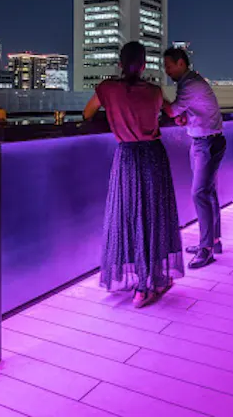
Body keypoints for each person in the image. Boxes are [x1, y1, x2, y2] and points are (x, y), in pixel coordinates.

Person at [83, 42, 184, 308]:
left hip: (127, 156)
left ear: (119, 63)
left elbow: (87, 113)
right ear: (143, 66)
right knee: (154, 217)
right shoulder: (154, 91)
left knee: (130, 217)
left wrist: (116, 115)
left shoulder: (107, 89)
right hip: (153, 155)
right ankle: (154, 281)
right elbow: (173, 112)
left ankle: (140, 285)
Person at [162, 47, 225, 269]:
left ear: (181, 63)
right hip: (208, 140)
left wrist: (155, 94)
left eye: (168, 66)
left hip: (206, 143)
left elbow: (170, 111)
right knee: (208, 192)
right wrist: (186, 120)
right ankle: (212, 242)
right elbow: (194, 112)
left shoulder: (189, 84)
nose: (166, 71)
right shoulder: (191, 82)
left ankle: (206, 249)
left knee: (200, 193)